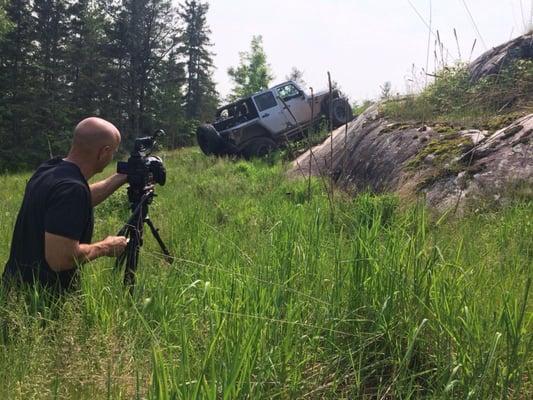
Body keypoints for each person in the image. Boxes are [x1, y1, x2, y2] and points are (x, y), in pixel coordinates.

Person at [3, 117, 128, 291]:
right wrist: (106, 247)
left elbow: (74, 202)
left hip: (14, 286)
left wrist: (121, 178)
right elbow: (61, 259)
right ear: (104, 152)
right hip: (42, 301)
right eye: (113, 152)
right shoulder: (71, 190)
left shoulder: (50, 169)